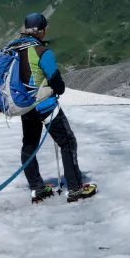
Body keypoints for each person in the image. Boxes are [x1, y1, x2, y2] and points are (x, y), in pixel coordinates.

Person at [15, 12, 97, 204]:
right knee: (68, 142)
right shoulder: (42, 52)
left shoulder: (15, 49)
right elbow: (58, 85)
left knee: (29, 146)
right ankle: (75, 189)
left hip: (25, 108)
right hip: (45, 106)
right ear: (41, 30)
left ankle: (37, 188)